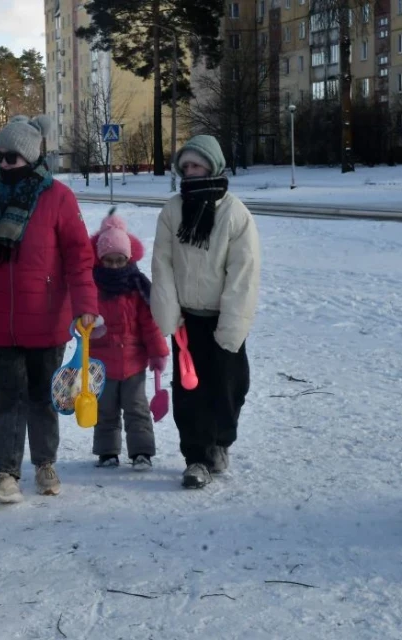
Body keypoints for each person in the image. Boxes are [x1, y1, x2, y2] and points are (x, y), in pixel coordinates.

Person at [0, 114, 98, 503]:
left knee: (43, 398)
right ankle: (6, 473)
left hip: (47, 319)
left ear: (30, 157)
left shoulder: (58, 199)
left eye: (11, 158)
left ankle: (45, 463)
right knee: (7, 399)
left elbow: (80, 257)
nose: (2, 165)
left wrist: (86, 307)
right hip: (0, 321)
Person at [150, 134, 261, 489]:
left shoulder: (235, 213)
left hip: (223, 317)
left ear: (212, 165)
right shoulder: (173, 211)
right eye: (185, 167)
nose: (190, 172)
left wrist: (231, 326)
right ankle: (196, 457)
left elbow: (243, 273)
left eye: (196, 165)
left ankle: (220, 441)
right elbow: (162, 264)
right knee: (189, 392)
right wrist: (170, 313)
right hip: (187, 319)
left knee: (231, 386)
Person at [89, 211, 169, 470]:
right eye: (108, 261)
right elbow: (78, 317)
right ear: (100, 259)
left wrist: (157, 353)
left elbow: (150, 324)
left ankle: (142, 452)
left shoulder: (137, 287)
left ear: (129, 258)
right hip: (101, 364)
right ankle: (107, 452)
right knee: (105, 411)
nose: (114, 266)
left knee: (137, 409)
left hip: (134, 362)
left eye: (119, 260)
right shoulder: (92, 286)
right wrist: (87, 326)